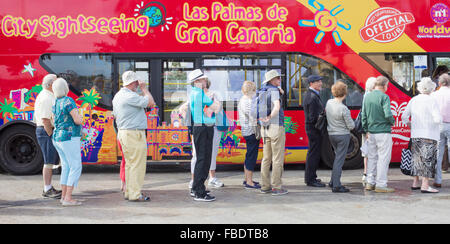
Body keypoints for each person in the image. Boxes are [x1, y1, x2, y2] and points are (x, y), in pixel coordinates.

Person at [112, 71, 155, 202]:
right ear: (132, 83)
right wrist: (144, 89)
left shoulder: (119, 95)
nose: (138, 84)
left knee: (130, 164)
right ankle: (135, 194)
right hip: (133, 133)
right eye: (137, 82)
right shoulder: (130, 96)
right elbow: (151, 103)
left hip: (125, 133)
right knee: (137, 165)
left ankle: (130, 192)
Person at [402, 77, 441, 193]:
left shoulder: (413, 100)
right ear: (432, 88)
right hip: (429, 134)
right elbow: (437, 118)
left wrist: (411, 125)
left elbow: (404, 116)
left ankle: (415, 183)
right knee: (427, 160)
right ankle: (425, 185)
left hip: (415, 133)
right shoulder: (432, 100)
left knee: (417, 159)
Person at [188, 69, 220, 202]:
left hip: (200, 127)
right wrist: (214, 105)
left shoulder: (196, 93)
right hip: (204, 128)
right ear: (196, 81)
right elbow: (216, 108)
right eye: (202, 79)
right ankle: (199, 192)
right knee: (203, 158)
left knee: (202, 158)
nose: (205, 81)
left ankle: (197, 187)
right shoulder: (199, 94)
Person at [51, 78, 83, 206]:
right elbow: (77, 120)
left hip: (57, 137)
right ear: (65, 88)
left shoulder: (55, 102)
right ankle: (68, 198)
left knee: (66, 166)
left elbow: (53, 121)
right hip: (69, 137)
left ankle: (64, 197)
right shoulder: (69, 101)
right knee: (75, 166)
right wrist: (81, 117)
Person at [361, 76, 395, 193]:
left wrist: (366, 130)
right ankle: (381, 184)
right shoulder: (385, 97)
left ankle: (370, 183)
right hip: (383, 132)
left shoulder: (367, 96)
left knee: (372, 158)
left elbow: (363, 116)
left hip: (371, 133)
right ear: (385, 85)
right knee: (383, 159)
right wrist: (392, 121)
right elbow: (387, 114)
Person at [259, 70, 288, 196]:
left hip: (264, 128)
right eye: (277, 78)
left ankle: (265, 186)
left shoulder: (262, 91)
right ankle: (276, 187)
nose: (279, 80)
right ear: (271, 80)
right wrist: (271, 116)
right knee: (277, 159)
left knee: (266, 158)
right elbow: (276, 106)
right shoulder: (274, 91)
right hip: (276, 126)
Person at [34, 74, 62, 199]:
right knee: (48, 162)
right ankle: (47, 188)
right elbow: (45, 120)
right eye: (56, 83)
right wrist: (52, 135)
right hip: (46, 131)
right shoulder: (46, 98)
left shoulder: (46, 95)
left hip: (45, 131)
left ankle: (49, 187)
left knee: (50, 161)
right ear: (51, 85)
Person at [325, 81, 355, 193]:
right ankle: (336, 185)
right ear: (345, 93)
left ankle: (333, 181)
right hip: (343, 135)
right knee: (339, 160)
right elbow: (351, 126)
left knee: (337, 157)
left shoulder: (329, 103)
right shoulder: (343, 108)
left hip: (331, 134)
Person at [303, 74, 326, 187]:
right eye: (317, 81)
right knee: (313, 155)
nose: (320, 83)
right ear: (311, 83)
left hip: (313, 129)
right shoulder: (312, 97)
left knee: (313, 154)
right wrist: (322, 116)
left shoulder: (312, 95)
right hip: (314, 130)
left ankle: (311, 177)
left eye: (320, 81)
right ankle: (310, 179)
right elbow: (312, 118)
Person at [238, 81, 261, 189]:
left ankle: (247, 179)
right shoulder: (247, 101)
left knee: (249, 155)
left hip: (247, 130)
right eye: (254, 90)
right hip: (251, 130)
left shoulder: (243, 99)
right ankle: (249, 182)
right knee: (251, 156)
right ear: (251, 90)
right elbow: (252, 116)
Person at [431, 74, 450, 188]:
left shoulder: (434, 95)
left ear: (439, 83)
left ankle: (438, 180)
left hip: (438, 126)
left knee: (438, 153)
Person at [361, 77, 376, 186]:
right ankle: (369, 174)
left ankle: (366, 173)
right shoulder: (370, 96)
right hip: (370, 129)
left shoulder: (365, 95)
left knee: (366, 152)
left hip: (367, 129)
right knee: (370, 152)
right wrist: (367, 131)